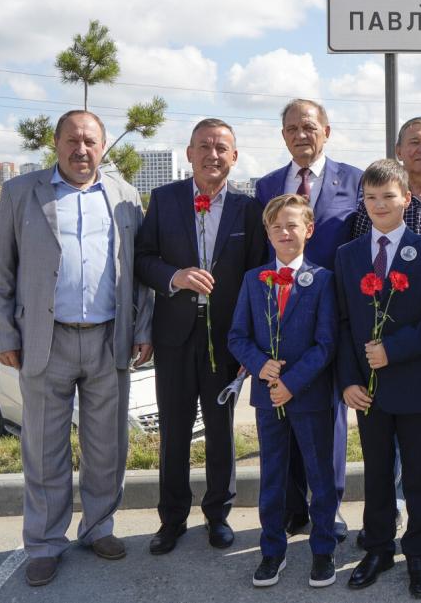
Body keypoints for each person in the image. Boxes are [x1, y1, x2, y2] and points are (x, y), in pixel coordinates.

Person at [0, 109, 153, 587]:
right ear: (55, 144)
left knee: (107, 447)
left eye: (90, 141)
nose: (82, 149)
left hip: (108, 339)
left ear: (102, 146)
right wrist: (2, 336)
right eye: (72, 140)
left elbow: (139, 272)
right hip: (45, 340)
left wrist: (143, 328)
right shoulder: (21, 192)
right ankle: (44, 543)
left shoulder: (125, 196)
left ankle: (99, 527)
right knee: (43, 448)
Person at [134, 119, 267, 556]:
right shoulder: (165, 199)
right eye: (204, 147)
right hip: (174, 336)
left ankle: (218, 514)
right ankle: (171, 519)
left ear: (234, 156)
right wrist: (175, 277)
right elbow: (142, 259)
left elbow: (256, 275)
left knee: (220, 430)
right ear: (189, 153)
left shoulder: (248, 209)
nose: (213, 155)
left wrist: (251, 340)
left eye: (221, 148)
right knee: (174, 430)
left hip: (226, 339)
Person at [335, 159, 421, 598]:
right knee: (377, 470)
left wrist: (394, 349)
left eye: (388, 196)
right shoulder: (348, 255)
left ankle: (418, 553)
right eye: (371, 197)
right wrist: (349, 380)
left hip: (414, 382)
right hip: (367, 389)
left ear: (406, 198)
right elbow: (342, 322)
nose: (379, 205)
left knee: (419, 472)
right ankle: (379, 547)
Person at [351, 116, 421, 556]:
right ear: (398, 151)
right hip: (388, 338)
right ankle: (393, 510)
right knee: (393, 423)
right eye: (413, 142)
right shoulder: (376, 201)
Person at [255, 99, 362, 541]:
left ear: (326, 131)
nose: (301, 135)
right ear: (283, 135)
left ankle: (328, 509)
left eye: (309, 127)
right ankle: (292, 508)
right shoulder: (265, 185)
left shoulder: (355, 181)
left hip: (332, 316)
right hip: (280, 319)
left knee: (328, 419)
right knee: (286, 413)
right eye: (292, 128)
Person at [228, 194, 339, 589]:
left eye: (292, 225)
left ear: (309, 230)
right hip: (266, 397)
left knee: (319, 475)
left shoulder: (323, 280)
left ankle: (323, 549)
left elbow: (326, 344)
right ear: (268, 233)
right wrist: (260, 365)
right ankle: (272, 550)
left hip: (309, 396)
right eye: (276, 226)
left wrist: (291, 383)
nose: (284, 233)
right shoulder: (253, 280)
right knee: (272, 475)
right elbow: (237, 336)